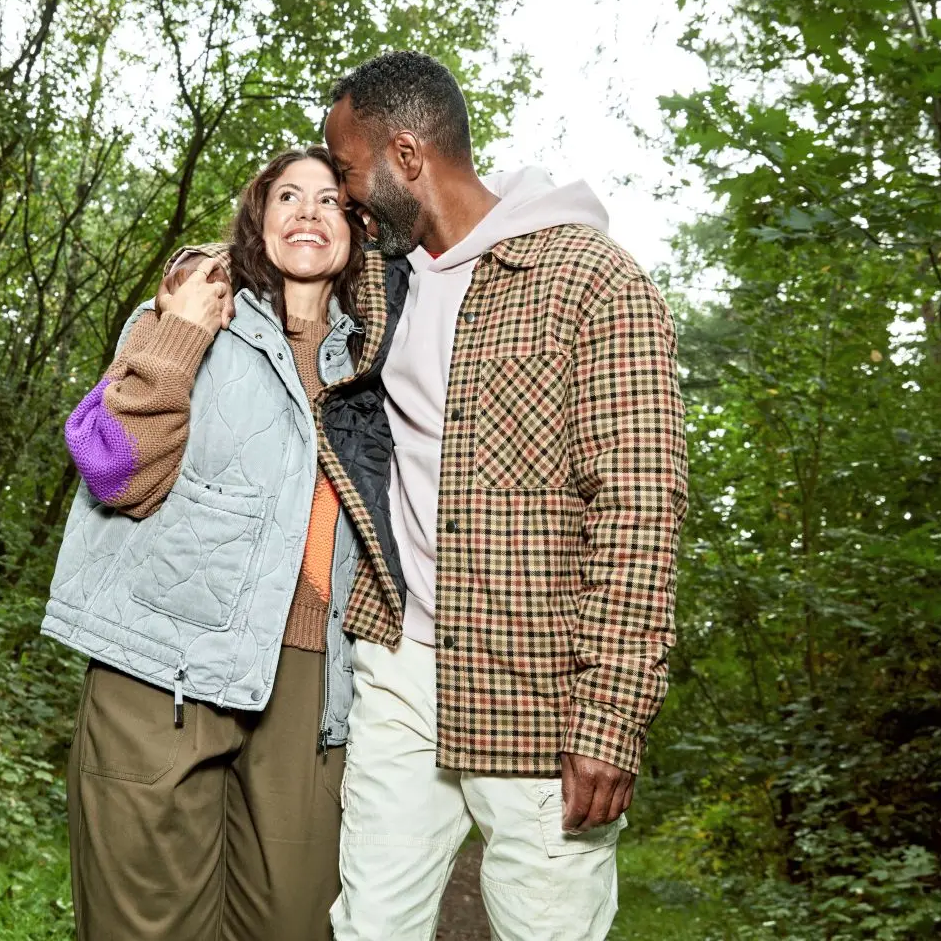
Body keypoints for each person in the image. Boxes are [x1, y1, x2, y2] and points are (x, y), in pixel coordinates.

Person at [167, 50, 689, 940]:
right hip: (399, 663)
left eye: (347, 172)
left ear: (406, 155)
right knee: (370, 925)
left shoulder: (594, 282)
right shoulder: (383, 278)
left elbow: (641, 506)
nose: (342, 197)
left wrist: (612, 713)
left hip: (535, 682)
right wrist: (195, 286)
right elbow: (285, 263)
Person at [41, 145, 370, 941]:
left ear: (358, 229)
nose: (307, 212)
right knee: (144, 926)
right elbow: (116, 475)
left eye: (329, 200)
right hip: (164, 658)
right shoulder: (190, 309)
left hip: (308, 674)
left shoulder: (380, 357)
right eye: (286, 194)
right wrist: (177, 336)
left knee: (296, 924)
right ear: (258, 216)